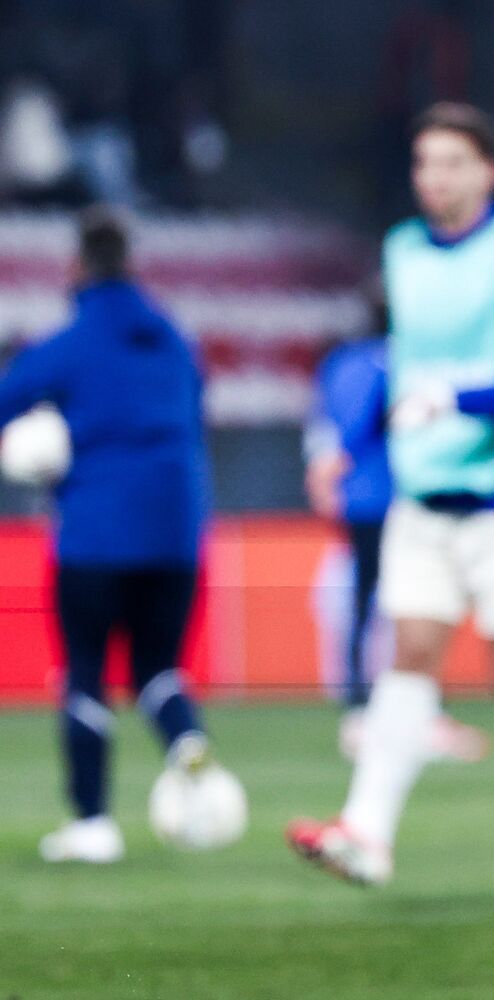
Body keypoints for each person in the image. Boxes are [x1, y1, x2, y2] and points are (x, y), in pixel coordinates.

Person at [287, 102, 494, 888]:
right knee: (409, 656)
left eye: (453, 162)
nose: (436, 178)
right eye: (425, 162)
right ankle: (367, 834)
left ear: (489, 172)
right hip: (422, 494)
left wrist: (456, 400)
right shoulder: (400, 251)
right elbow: (400, 366)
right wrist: (346, 445)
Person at [0, 207, 231, 864]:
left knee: (86, 672)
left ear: (76, 267)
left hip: (96, 536)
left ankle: (93, 824)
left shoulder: (69, 344)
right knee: (158, 669)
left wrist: (42, 447)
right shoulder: (175, 342)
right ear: (130, 263)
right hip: (177, 533)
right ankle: (189, 748)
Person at [303, 289, 492, 763]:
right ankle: (425, 715)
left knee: (363, 602)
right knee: (420, 606)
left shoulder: (339, 362)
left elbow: (322, 426)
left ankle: (357, 711)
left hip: (356, 500)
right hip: (401, 496)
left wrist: (324, 475)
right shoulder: (404, 362)